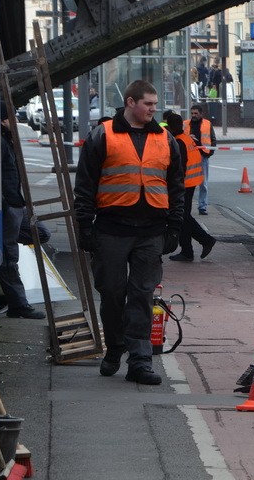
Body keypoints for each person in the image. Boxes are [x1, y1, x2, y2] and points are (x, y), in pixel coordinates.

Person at [74, 79, 185, 385]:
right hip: (111, 230)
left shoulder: (166, 140)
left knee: (142, 295)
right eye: (148, 104)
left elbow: (176, 188)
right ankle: (115, 346)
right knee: (111, 293)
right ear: (131, 102)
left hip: (150, 231)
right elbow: (84, 186)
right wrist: (85, 226)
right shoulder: (103, 136)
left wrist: (174, 227)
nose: (153, 109)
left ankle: (140, 360)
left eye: (154, 104)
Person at [0, 103, 43, 319]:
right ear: (3, 120)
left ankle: (4, 245)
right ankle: (18, 304)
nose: (15, 121)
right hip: (8, 206)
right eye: (11, 117)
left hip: (16, 204)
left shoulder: (7, 139)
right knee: (8, 256)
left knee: (41, 233)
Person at [165, 113, 216, 262]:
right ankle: (191, 248)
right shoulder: (186, 139)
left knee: (181, 216)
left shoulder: (179, 142)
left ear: (172, 126)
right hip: (190, 183)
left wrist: (173, 185)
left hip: (183, 185)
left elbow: (179, 167)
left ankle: (198, 244)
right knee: (183, 216)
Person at [184, 104, 217, 215]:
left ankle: (202, 206)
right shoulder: (185, 124)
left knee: (203, 183)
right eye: (192, 113)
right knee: (188, 182)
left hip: (203, 156)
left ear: (201, 114)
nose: (193, 115)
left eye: (196, 113)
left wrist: (210, 153)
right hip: (189, 157)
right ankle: (185, 205)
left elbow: (212, 139)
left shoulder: (207, 124)